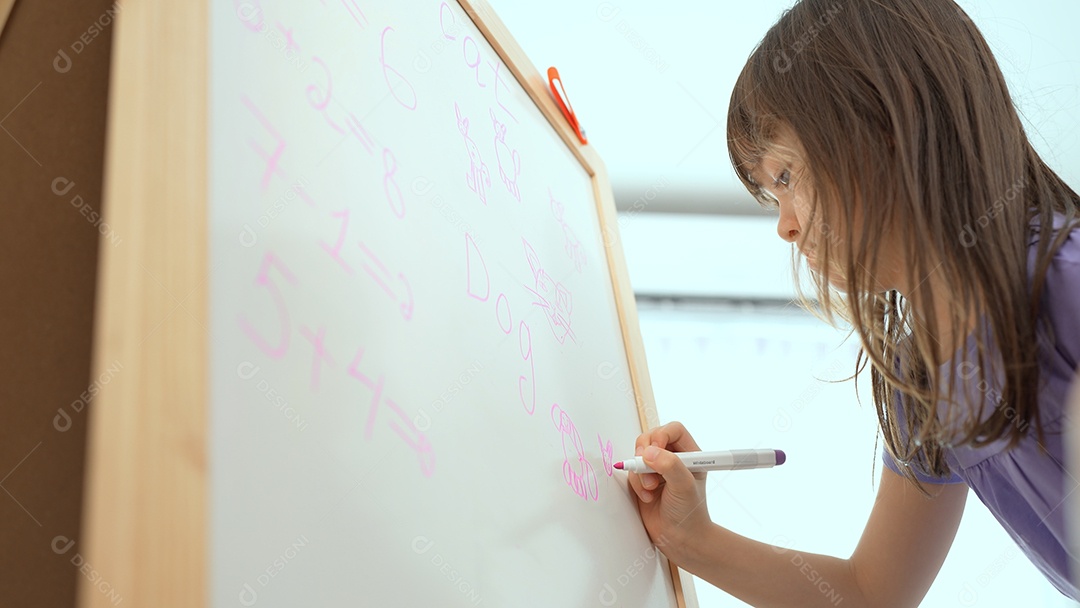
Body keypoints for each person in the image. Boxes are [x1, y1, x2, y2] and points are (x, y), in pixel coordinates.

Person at [626, 0, 1080, 604]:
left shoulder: (1063, 279)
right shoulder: (922, 378)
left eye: (785, 178)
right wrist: (692, 540)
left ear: (885, 131)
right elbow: (872, 593)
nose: (785, 227)